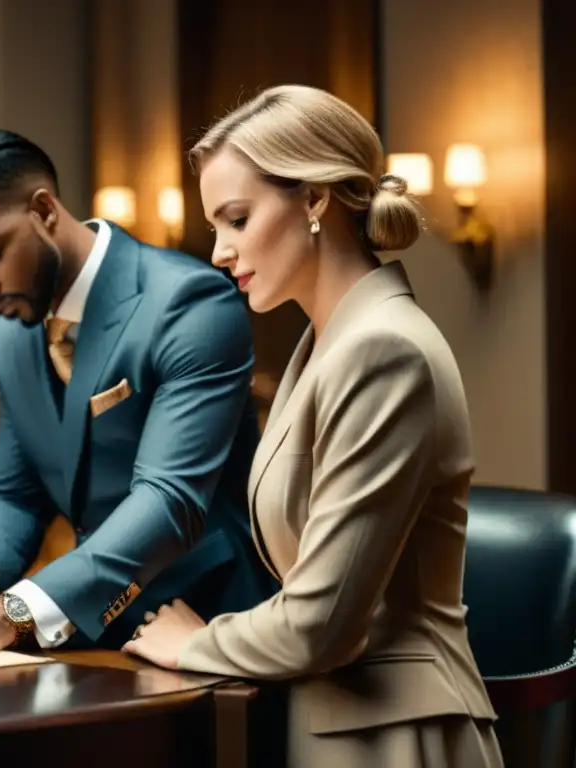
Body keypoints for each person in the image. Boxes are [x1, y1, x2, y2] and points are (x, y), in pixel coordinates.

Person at [122, 85, 503, 767]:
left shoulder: (383, 350)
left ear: (314, 199)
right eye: (215, 226)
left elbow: (322, 623)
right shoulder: (324, 347)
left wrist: (198, 642)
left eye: (236, 219)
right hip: (332, 719)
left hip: (394, 737)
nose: (219, 251)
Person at [0, 129, 276, 653]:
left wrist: (17, 611)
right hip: (87, 634)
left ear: (43, 211)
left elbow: (169, 500)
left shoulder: (190, 302)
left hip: (210, 626)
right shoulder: (11, 333)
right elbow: (15, 491)